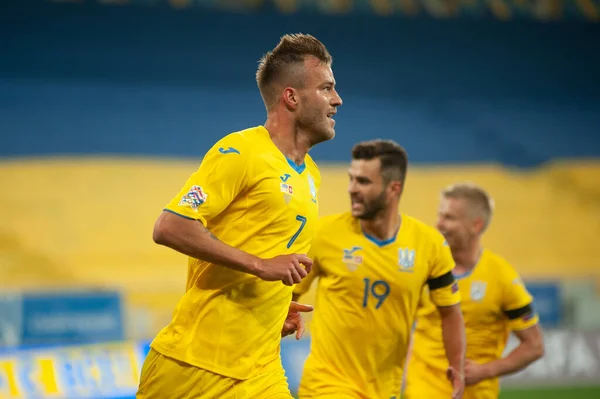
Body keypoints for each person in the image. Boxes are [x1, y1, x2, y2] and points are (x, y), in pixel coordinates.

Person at [136, 33, 343, 399]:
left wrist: (273, 304)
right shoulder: (239, 152)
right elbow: (170, 226)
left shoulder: (310, 173)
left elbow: (263, 246)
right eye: (326, 88)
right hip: (193, 368)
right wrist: (262, 267)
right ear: (291, 97)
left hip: (260, 371)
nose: (337, 100)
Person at [292, 140, 466, 399]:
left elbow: (451, 312)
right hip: (326, 385)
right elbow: (287, 292)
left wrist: (457, 365)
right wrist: (287, 311)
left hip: (386, 388)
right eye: (351, 179)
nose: (351, 189)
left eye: (363, 182)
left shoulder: (429, 245)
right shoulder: (324, 234)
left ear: (393, 188)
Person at [404, 183, 544, 399]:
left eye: (449, 218)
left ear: (475, 225)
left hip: (477, 394)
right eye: (440, 215)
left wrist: (486, 371)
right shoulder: (423, 267)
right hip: (423, 390)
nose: (438, 224)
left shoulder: (502, 277)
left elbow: (534, 346)